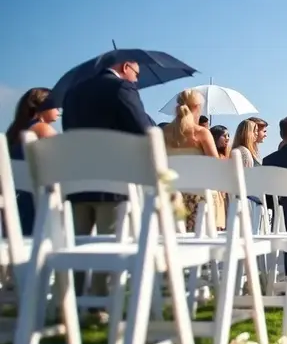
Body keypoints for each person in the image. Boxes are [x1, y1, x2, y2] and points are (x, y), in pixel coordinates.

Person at [60, 59, 152, 320]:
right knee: (109, 242)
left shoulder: (73, 91)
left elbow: (69, 131)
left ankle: (71, 304)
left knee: (77, 244)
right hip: (112, 178)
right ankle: (100, 306)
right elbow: (142, 130)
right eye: (137, 73)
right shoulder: (122, 89)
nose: (136, 80)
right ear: (125, 67)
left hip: (76, 178)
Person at [163, 90, 224, 232]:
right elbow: (217, 167)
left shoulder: (164, 132)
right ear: (197, 107)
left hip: (170, 200)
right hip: (199, 204)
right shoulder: (202, 133)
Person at [5, 87, 60, 234]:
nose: (59, 109)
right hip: (38, 204)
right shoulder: (43, 129)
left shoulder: (13, 131)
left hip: (17, 204)